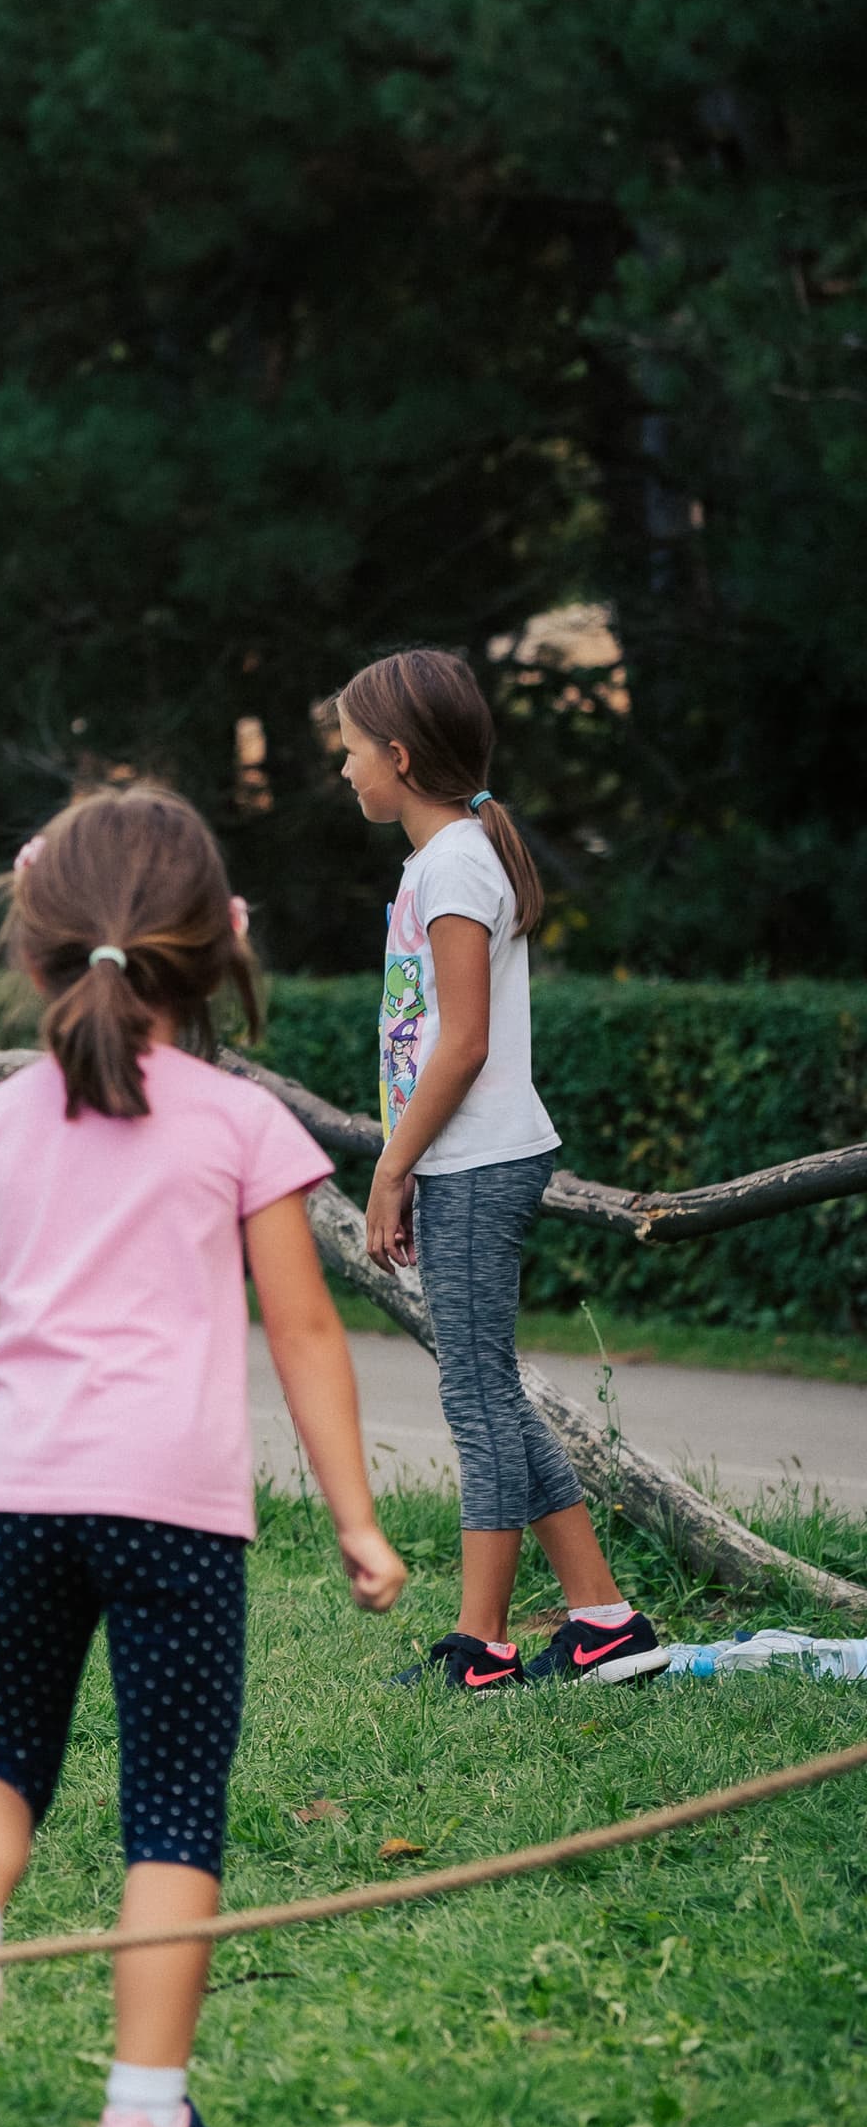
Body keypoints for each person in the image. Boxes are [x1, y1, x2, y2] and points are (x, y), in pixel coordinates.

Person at [0, 786, 408, 2127]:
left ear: (33, 945)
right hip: (176, 1509)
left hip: (30, 1493)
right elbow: (301, 1330)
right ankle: (143, 2116)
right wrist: (353, 1514)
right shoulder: (241, 1122)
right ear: (222, 945)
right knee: (171, 1810)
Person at [336, 648, 662, 1690]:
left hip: (472, 1162)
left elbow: (462, 1039)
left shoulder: (458, 861)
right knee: (495, 1396)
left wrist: (393, 1170)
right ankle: (605, 1618)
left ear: (396, 754)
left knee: (476, 1400)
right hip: (465, 1161)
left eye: (348, 750)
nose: (342, 770)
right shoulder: (444, 858)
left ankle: (482, 1647)